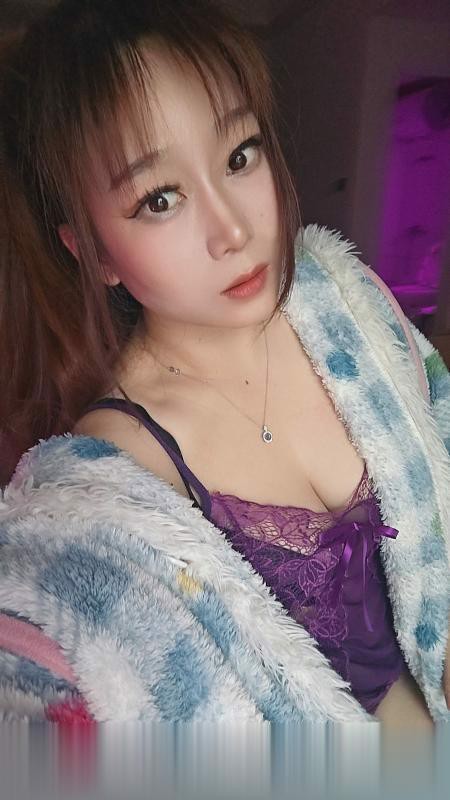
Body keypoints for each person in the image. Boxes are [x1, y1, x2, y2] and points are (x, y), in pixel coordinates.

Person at [0, 0, 448, 726]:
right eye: (160, 199)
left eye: (239, 156)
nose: (234, 229)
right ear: (95, 253)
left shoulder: (348, 304)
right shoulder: (116, 476)